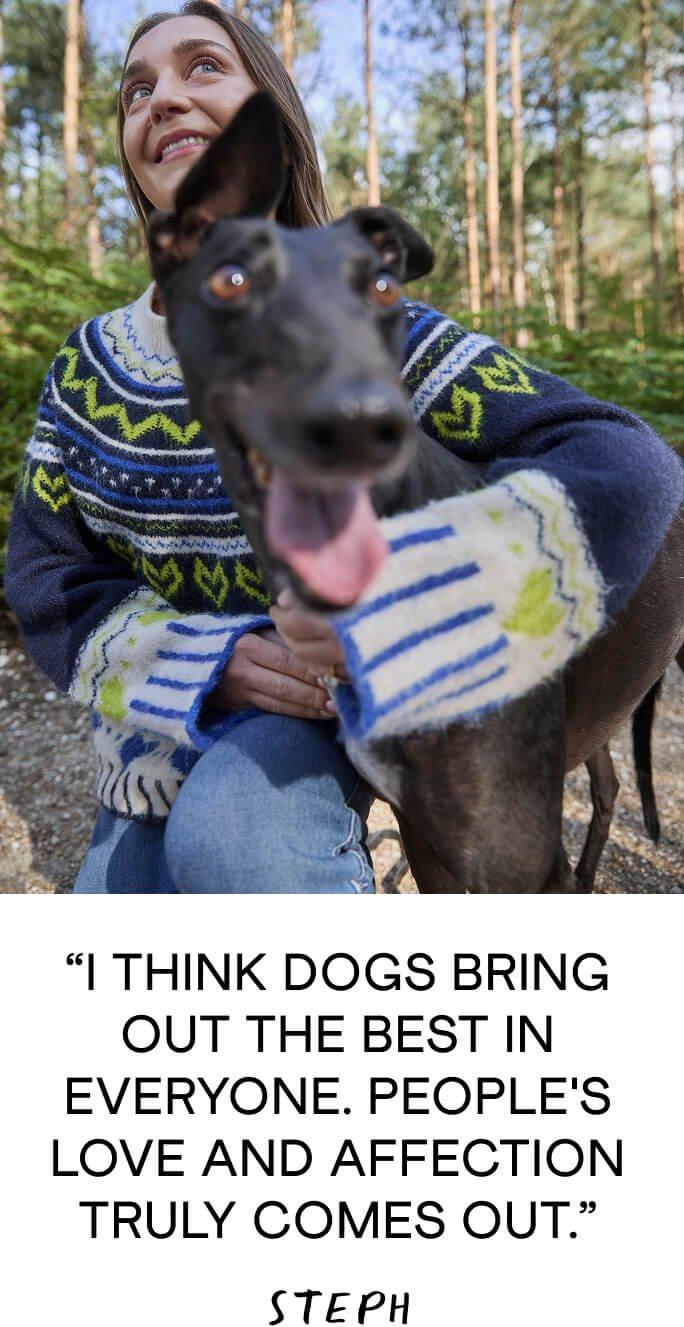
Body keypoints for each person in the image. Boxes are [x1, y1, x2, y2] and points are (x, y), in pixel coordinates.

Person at [5, 2, 682, 894]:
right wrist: (199, 665)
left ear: (274, 124)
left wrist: (434, 593)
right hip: (168, 720)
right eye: (137, 88)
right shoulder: (90, 371)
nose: (162, 97)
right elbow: (47, 573)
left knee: (233, 835)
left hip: (338, 709)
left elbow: (626, 460)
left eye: (201, 66)